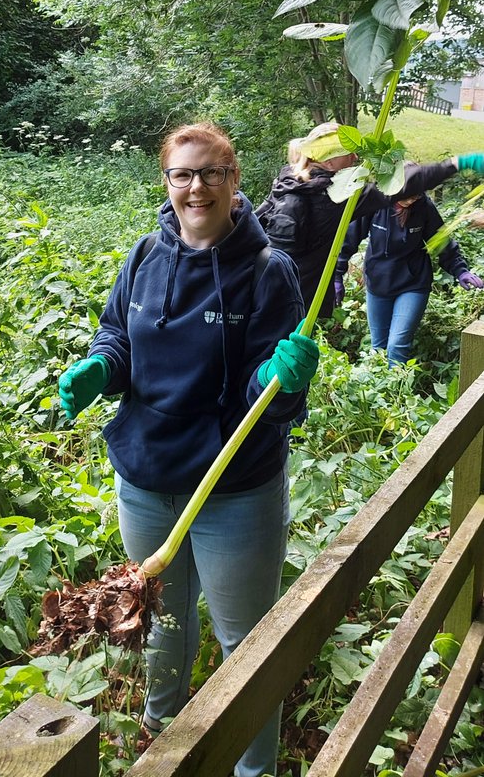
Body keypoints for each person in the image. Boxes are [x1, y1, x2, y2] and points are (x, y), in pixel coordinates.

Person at [58, 121, 319, 777]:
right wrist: (99, 368)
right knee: (162, 625)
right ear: (166, 182)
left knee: (246, 644)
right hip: (146, 478)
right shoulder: (144, 255)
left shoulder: (269, 272)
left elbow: (276, 402)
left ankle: (251, 768)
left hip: (234, 489)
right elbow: (116, 333)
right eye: (182, 173)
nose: (195, 186)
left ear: (235, 184)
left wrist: (279, 378)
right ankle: (160, 730)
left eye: (211, 173)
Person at [255, 124, 484, 319]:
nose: (355, 158)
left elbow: (255, 223)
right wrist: (457, 163)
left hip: (265, 290)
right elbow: (401, 186)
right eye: (349, 153)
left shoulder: (288, 181)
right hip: (295, 300)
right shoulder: (336, 195)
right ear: (329, 162)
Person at [334, 192, 484, 366]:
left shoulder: (423, 206)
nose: (413, 199)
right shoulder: (375, 203)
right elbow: (348, 240)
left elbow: (441, 240)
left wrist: (461, 271)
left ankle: (397, 387)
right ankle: (385, 390)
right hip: (378, 284)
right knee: (379, 349)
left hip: (413, 284)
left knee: (397, 345)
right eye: (410, 195)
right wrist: (336, 276)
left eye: (417, 196)